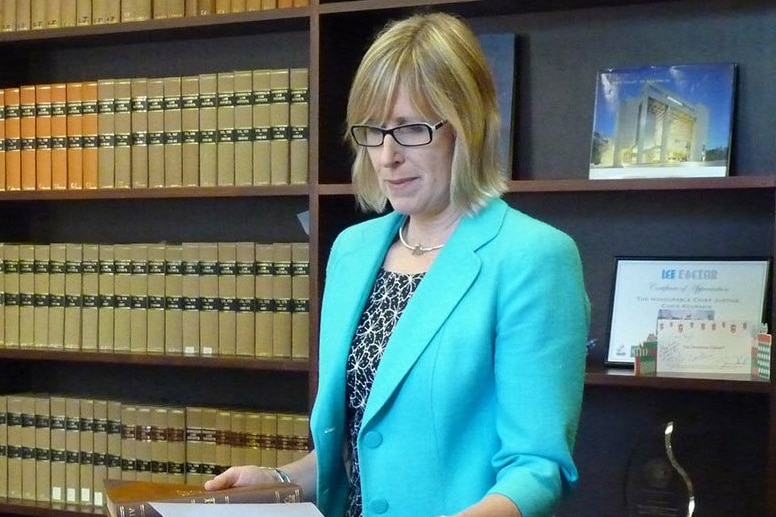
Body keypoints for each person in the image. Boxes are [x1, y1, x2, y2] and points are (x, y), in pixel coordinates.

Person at [204, 11, 590, 517]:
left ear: (466, 126)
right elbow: (357, 454)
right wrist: (278, 481)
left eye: (410, 129)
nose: (386, 155)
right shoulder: (352, 250)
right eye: (373, 130)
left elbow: (537, 468)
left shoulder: (535, 257)